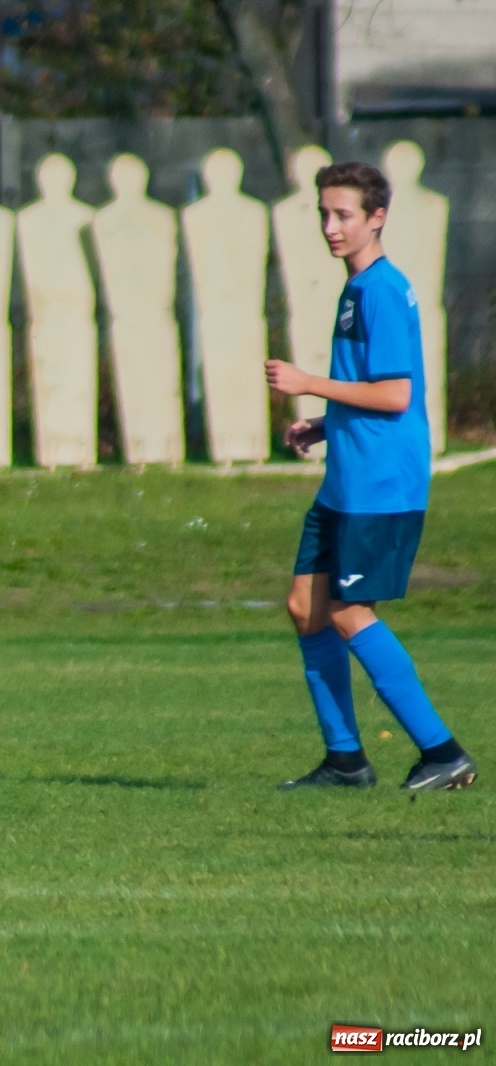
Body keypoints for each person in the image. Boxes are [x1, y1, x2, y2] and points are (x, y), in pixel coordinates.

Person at [265, 160, 477, 792]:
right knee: (308, 606)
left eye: (344, 215)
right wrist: (325, 423)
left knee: (350, 612)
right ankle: (345, 761)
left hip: (380, 485)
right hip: (346, 479)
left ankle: (443, 752)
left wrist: (307, 384)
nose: (331, 227)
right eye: (324, 214)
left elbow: (394, 395)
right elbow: (367, 392)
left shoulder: (382, 289)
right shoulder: (357, 287)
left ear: (376, 217)